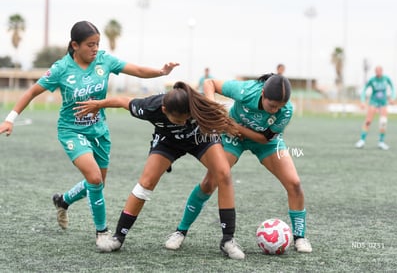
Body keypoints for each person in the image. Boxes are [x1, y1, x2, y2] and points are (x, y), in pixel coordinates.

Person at [0, 20, 179, 251]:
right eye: (90, 45)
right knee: (94, 178)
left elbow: (135, 70)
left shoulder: (104, 60)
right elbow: (32, 91)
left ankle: (63, 200)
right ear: (75, 45)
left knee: (98, 183)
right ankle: (102, 232)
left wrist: (161, 71)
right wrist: (9, 119)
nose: (95, 49)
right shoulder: (61, 69)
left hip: (99, 131)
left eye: (97, 44)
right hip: (71, 131)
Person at [72, 81, 246, 259]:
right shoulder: (150, 107)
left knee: (223, 173)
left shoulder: (197, 105)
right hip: (167, 141)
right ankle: (118, 238)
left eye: (186, 118)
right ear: (164, 110)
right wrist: (99, 104)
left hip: (201, 138)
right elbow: (123, 101)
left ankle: (227, 240)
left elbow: (221, 117)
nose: (183, 122)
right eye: (178, 120)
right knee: (146, 183)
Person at [165, 73, 313, 253]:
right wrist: (214, 112)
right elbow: (211, 83)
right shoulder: (246, 90)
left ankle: (300, 237)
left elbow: (264, 138)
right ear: (263, 93)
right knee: (209, 183)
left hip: (264, 142)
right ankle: (180, 231)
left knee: (295, 184)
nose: (275, 110)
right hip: (232, 137)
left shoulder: (286, 110)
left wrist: (233, 126)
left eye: (279, 107)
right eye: (272, 105)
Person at [355, 65, 396, 150]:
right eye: (376, 70)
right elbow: (364, 90)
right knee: (368, 121)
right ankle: (362, 140)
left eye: (379, 70)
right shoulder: (372, 80)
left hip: (383, 103)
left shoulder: (386, 79)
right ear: (375, 71)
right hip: (373, 102)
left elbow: (393, 88)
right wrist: (363, 101)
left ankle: (381, 142)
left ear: (382, 71)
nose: (378, 72)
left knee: (383, 122)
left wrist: (392, 98)